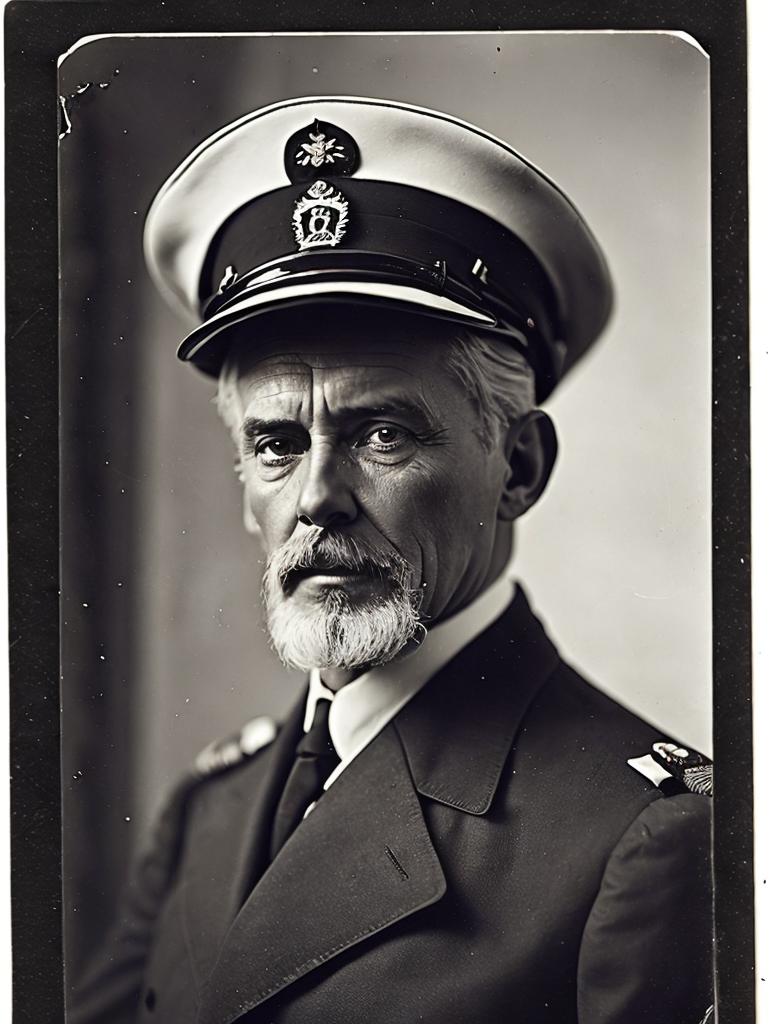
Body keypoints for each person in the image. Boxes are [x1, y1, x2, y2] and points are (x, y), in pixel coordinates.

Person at [70, 96, 714, 1024]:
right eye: (276, 443)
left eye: (382, 432)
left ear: (519, 467)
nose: (315, 497)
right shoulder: (208, 812)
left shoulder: (646, 836)